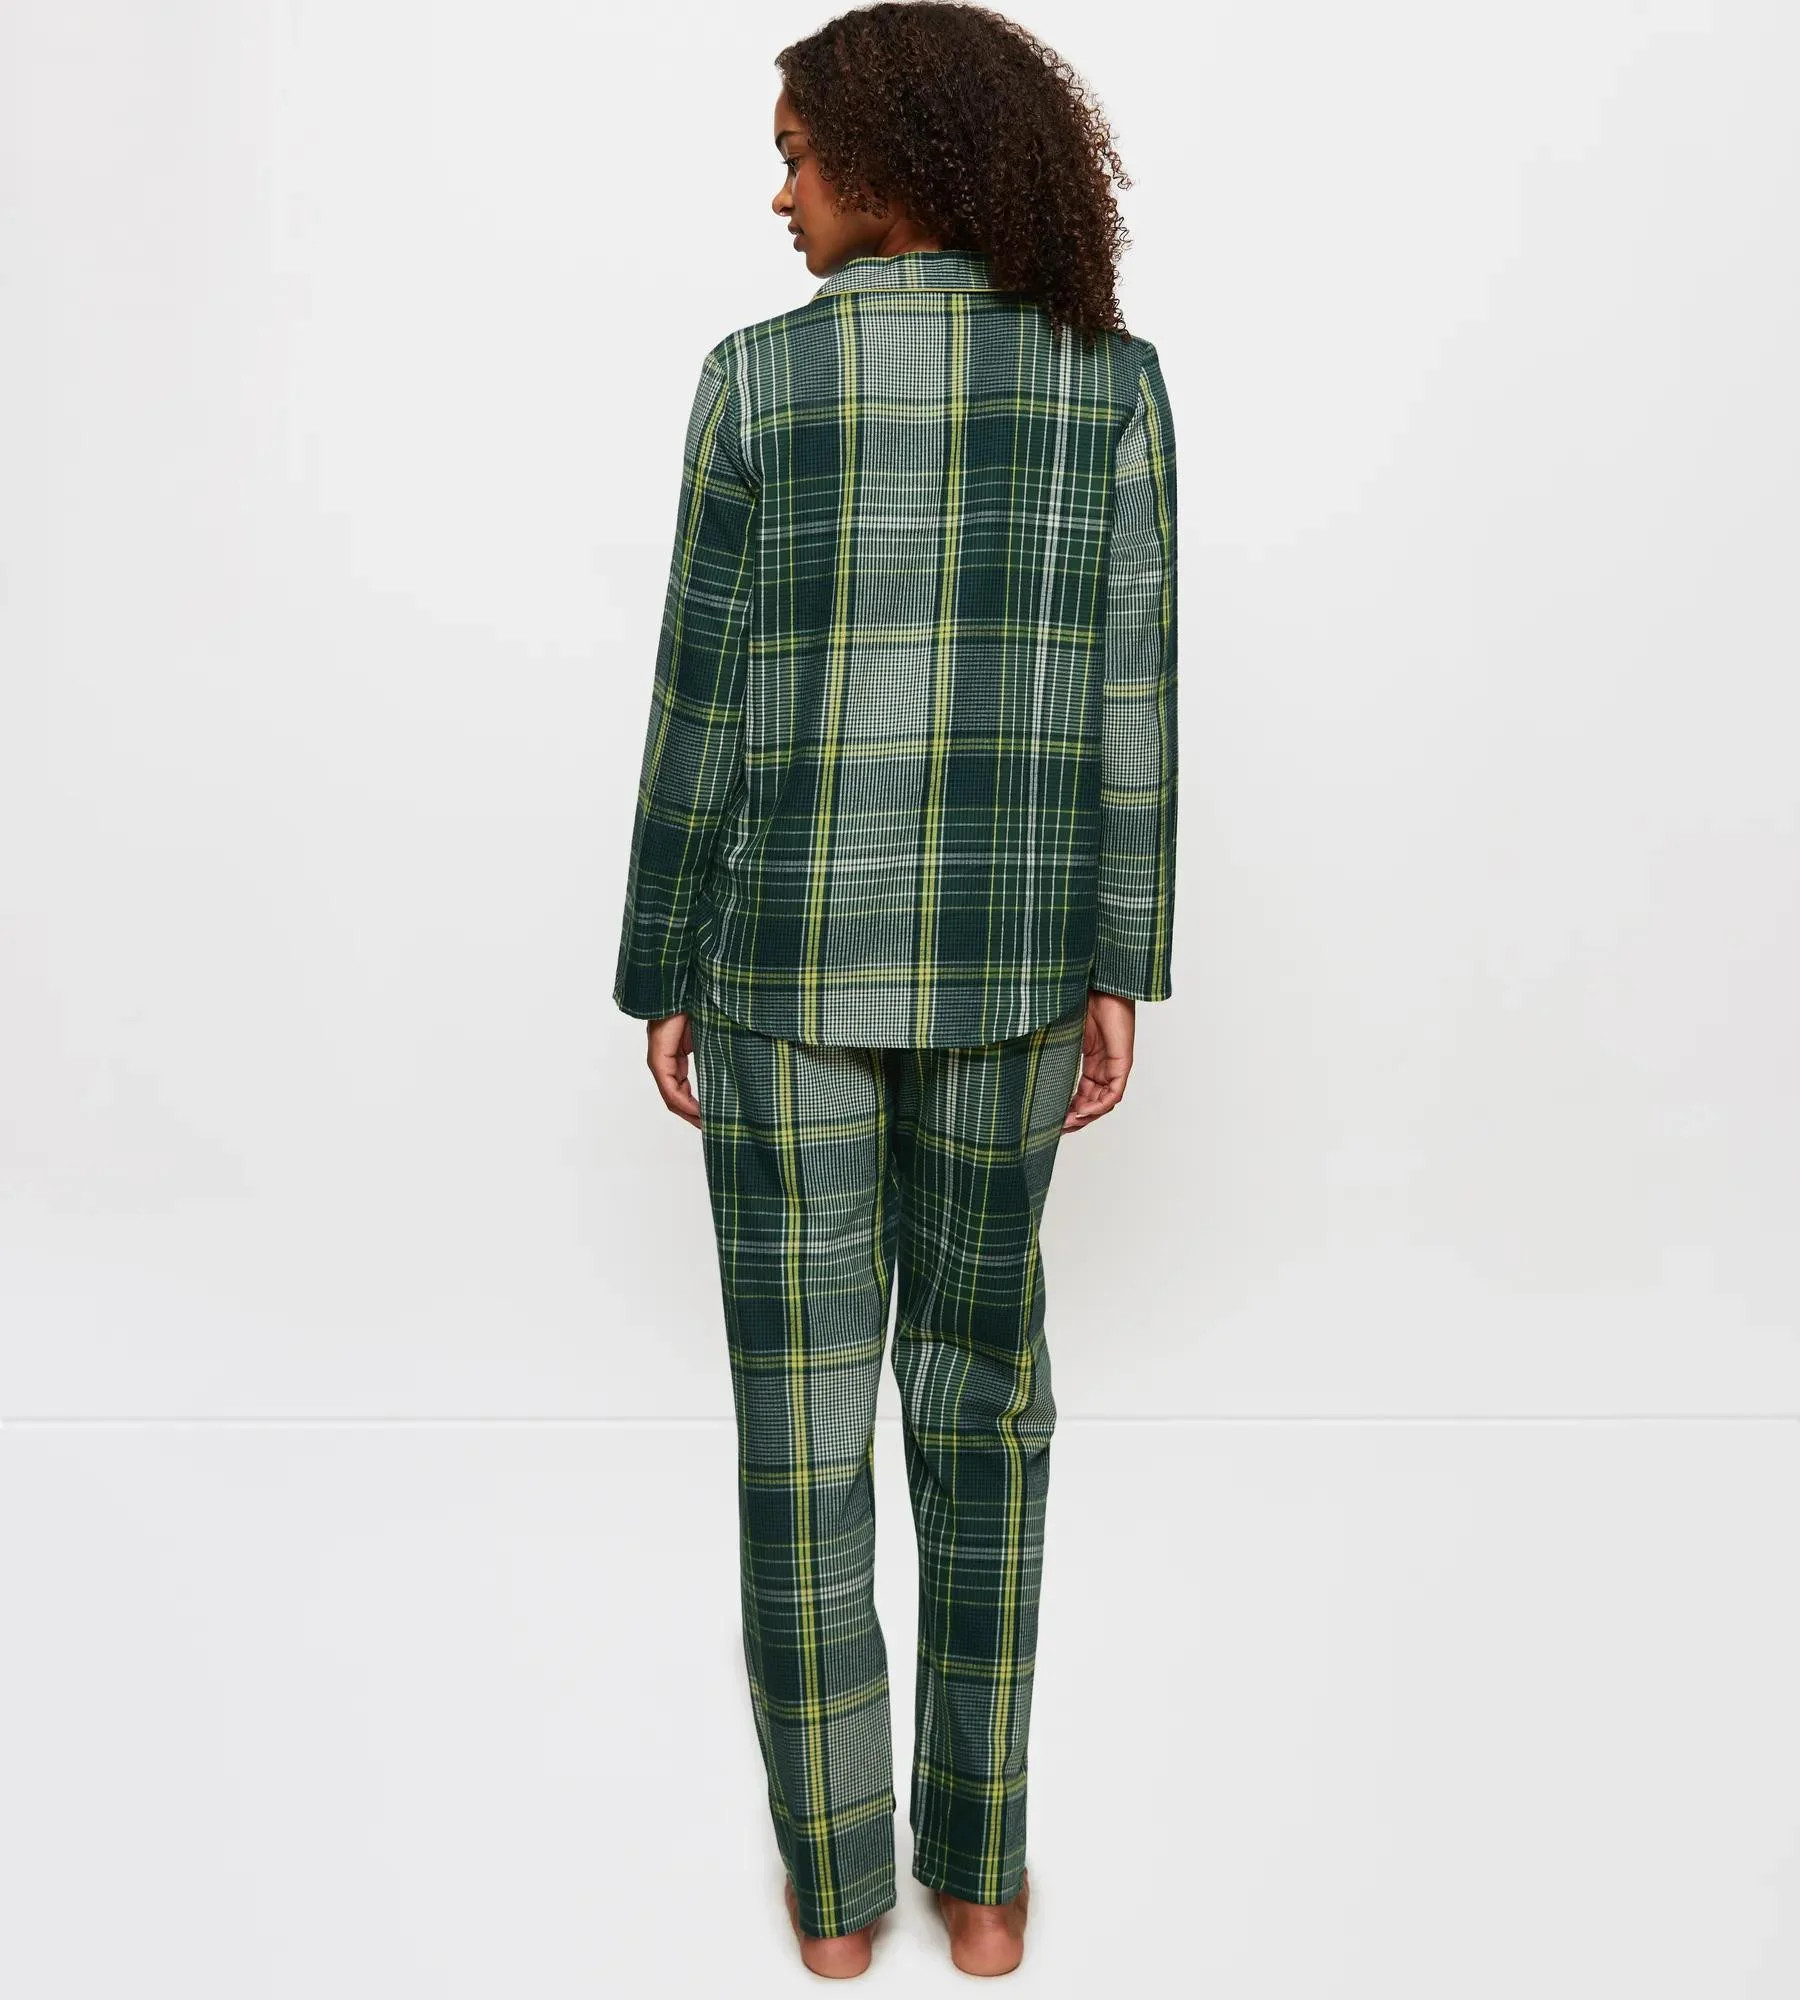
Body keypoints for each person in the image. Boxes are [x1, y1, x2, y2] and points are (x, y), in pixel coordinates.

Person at [612, 1, 1177, 1977]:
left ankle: (842, 1896)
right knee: (985, 1405)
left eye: (794, 155)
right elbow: (1131, 693)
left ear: (890, 156)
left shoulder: (755, 384)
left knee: (803, 1429)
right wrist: (1122, 958)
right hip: (1016, 966)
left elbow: (698, 702)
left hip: (778, 968)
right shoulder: (1109, 383)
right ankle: (987, 1882)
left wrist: (659, 963)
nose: (777, 196)